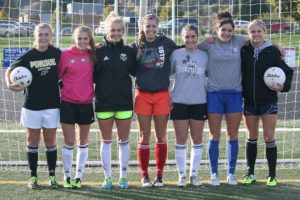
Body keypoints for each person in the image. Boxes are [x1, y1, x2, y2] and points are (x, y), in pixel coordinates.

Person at [5, 23, 61, 189]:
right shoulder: (28, 56)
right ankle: (34, 177)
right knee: (32, 140)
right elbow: (10, 70)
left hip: (51, 104)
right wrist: (9, 84)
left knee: (50, 140)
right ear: (35, 36)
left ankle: (52, 176)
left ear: (50, 36)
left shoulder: (57, 53)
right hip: (32, 105)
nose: (43, 37)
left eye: (46, 34)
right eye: (40, 34)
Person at [241, 20, 293, 187]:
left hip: (268, 101)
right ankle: (250, 173)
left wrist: (284, 86)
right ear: (248, 34)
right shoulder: (244, 50)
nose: (256, 34)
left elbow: (288, 71)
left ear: (264, 32)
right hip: (249, 101)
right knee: (251, 137)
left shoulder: (272, 52)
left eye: (259, 31)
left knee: (269, 137)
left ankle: (272, 175)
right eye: (252, 32)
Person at [198, 12, 248, 186]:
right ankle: (214, 173)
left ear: (233, 31)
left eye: (229, 30)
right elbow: (191, 47)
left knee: (232, 135)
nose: (226, 33)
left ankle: (231, 173)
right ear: (216, 30)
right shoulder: (209, 43)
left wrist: (274, 45)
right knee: (214, 134)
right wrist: (206, 36)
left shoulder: (240, 41)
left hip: (234, 94)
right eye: (223, 30)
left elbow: (259, 38)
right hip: (214, 94)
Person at [132, 14, 177, 187]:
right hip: (142, 94)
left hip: (161, 95)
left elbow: (184, 48)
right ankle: (144, 175)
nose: (150, 29)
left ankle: (159, 175)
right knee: (144, 137)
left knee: (161, 136)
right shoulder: (136, 46)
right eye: (147, 26)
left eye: (153, 26)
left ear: (158, 27)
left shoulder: (167, 43)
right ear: (142, 27)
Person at [94, 12, 137, 189]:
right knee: (106, 140)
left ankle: (123, 177)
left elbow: (136, 72)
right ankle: (108, 177)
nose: (116, 33)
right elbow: (92, 77)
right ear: (106, 30)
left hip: (124, 102)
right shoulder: (98, 51)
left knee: (124, 140)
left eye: (120, 30)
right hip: (103, 101)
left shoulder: (129, 51)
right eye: (113, 30)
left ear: (124, 31)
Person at [170, 25, 208, 187]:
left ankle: (194, 174)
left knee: (197, 138)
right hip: (179, 101)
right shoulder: (176, 55)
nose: (190, 40)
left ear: (197, 37)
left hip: (199, 101)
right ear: (182, 38)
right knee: (181, 139)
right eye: (187, 37)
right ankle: (181, 175)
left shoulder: (205, 55)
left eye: (193, 36)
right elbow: (167, 74)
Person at [58, 26, 96, 189]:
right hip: (67, 103)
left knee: (83, 141)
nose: (82, 41)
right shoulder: (65, 55)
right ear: (74, 38)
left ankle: (78, 176)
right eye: (79, 38)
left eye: (85, 38)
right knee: (69, 141)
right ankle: (66, 176)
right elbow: (58, 76)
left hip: (86, 103)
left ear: (89, 40)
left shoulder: (93, 55)